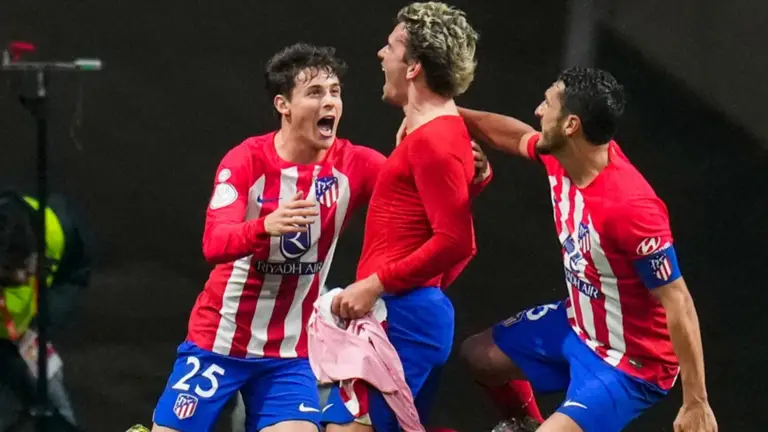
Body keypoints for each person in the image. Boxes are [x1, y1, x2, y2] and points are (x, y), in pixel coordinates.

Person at [457, 66, 718, 432]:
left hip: (629, 363)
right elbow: (516, 136)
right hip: (579, 323)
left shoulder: (631, 208)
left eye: (548, 104)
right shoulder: (561, 154)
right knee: (478, 356)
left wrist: (696, 401)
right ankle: (526, 424)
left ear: (571, 125)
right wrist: (449, 113)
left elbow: (678, 300)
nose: (538, 110)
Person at [326, 2, 487, 431]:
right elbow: (436, 224)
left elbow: (457, 241)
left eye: (392, 47)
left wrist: (377, 285)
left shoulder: (433, 140)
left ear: (414, 67)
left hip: (404, 319)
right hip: (407, 314)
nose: (382, 54)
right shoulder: (427, 134)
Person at [0, 189, 90, 431]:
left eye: (27, 267)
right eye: (8, 272)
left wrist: (44, 317)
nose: (22, 276)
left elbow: (75, 276)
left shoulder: (59, 232)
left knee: (55, 405)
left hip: (28, 336)